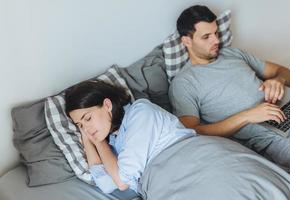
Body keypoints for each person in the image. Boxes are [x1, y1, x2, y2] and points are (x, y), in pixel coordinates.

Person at [168, 5, 290, 173]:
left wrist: (278, 80)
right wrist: (248, 116)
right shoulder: (184, 83)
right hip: (278, 139)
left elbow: (288, 73)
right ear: (186, 41)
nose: (216, 41)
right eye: (206, 37)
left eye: (215, 33)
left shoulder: (232, 54)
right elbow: (192, 131)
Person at [64, 80, 196, 193]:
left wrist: (99, 142)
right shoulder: (113, 143)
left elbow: (122, 182)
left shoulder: (140, 112)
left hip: (189, 164)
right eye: (80, 125)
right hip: (167, 186)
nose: (86, 128)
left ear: (107, 105)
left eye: (87, 118)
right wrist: (93, 140)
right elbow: (107, 185)